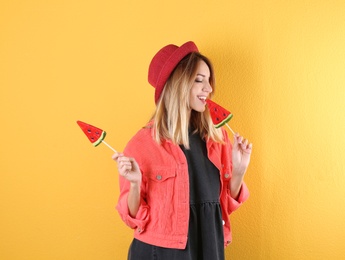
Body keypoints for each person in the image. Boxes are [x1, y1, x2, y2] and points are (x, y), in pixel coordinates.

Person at [112, 41, 252, 260]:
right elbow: (133, 218)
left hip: (210, 246)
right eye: (199, 81)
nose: (209, 89)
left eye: (208, 81)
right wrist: (135, 183)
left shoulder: (218, 138)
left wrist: (240, 171)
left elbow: (224, 206)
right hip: (160, 253)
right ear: (177, 84)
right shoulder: (142, 143)